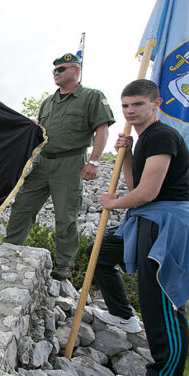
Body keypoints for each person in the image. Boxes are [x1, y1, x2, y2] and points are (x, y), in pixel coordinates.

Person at [90, 79, 188, 375]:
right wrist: (128, 154)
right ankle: (123, 315)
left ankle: (165, 370)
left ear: (156, 104)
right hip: (146, 217)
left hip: (166, 223)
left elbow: (148, 193)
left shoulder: (161, 136)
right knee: (102, 255)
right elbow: (136, 186)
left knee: (161, 300)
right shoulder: (145, 138)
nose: (130, 111)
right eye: (125, 105)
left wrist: (112, 203)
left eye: (137, 104)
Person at [4, 53, 115, 280]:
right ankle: (8, 250)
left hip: (71, 163)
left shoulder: (91, 97)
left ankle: (64, 264)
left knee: (65, 216)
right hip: (43, 162)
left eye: (62, 69)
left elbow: (102, 129)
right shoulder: (47, 103)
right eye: (54, 70)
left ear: (76, 70)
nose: (56, 73)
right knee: (22, 208)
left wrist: (94, 161)